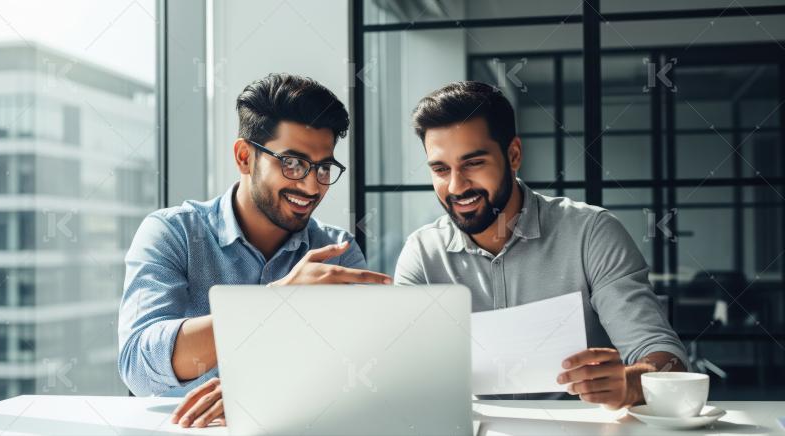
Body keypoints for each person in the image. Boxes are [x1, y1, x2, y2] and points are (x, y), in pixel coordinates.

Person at [117, 73, 391, 428]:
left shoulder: (336, 252)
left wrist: (258, 396)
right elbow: (138, 366)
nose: (311, 185)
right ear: (245, 157)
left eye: (324, 168)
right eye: (292, 163)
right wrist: (277, 302)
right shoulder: (173, 233)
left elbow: (364, 375)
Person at [394, 81, 689, 409]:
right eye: (440, 169)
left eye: (473, 163)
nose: (456, 185)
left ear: (514, 155)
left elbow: (668, 360)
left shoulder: (591, 233)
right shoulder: (422, 254)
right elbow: (402, 375)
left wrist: (633, 383)